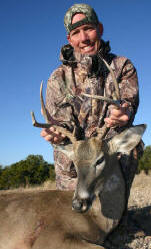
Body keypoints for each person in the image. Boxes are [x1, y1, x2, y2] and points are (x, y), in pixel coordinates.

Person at [41, 4, 143, 208]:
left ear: (100, 29)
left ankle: (120, 217)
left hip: (105, 154)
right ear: (69, 40)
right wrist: (57, 133)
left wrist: (125, 112)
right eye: (76, 33)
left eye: (88, 28)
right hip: (76, 163)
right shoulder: (57, 78)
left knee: (132, 146)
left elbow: (128, 103)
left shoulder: (122, 66)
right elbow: (61, 124)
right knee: (75, 219)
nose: (84, 38)